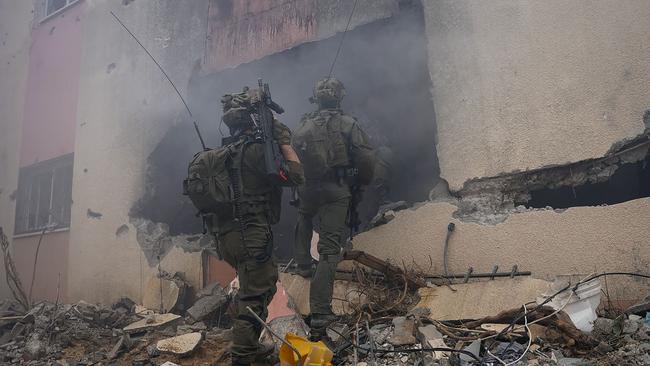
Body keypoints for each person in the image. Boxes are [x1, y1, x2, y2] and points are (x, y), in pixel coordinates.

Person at [213, 88, 304, 365]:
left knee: (255, 292)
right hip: (251, 234)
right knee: (255, 297)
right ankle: (241, 358)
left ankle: (249, 347)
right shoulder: (254, 152)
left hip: (227, 237)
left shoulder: (222, 154)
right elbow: (296, 176)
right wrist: (284, 141)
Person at [291, 77, 374, 339]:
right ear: (340, 96)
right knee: (329, 250)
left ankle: (302, 265)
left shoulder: (303, 126)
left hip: (308, 188)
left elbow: (291, 155)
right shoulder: (349, 124)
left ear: (315, 98)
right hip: (336, 189)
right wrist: (362, 182)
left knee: (304, 216)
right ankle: (320, 312)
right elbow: (366, 159)